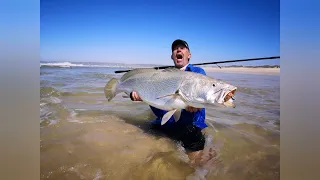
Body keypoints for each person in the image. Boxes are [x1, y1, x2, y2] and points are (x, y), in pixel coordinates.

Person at [130, 39, 212, 167]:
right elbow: (159, 106)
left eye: (182, 48)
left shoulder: (198, 74)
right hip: (165, 125)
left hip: (190, 127)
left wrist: (197, 107)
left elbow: (204, 97)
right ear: (172, 56)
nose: (178, 50)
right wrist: (142, 96)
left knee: (198, 164)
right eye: (175, 49)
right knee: (148, 156)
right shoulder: (162, 76)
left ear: (189, 55)